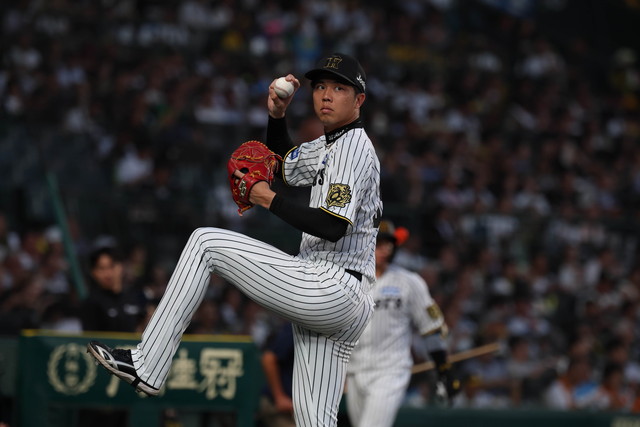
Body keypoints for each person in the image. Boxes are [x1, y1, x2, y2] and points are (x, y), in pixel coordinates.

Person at [87, 52, 382, 427]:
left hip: (332, 286)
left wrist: (267, 199)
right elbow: (285, 166)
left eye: (339, 88)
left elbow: (331, 225)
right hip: (340, 299)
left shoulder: (354, 147)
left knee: (205, 243)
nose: (325, 94)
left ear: (359, 99)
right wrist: (277, 115)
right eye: (321, 86)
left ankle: (148, 364)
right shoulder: (331, 145)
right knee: (314, 421)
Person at [345, 220, 457, 427]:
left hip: (390, 371)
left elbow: (431, 328)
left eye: (388, 244)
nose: (384, 249)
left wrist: (443, 370)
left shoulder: (409, 281)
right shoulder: (348, 280)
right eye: (378, 243)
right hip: (354, 371)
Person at [80, 246, 144, 332]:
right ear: (93, 272)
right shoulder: (91, 303)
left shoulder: (135, 297)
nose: (108, 274)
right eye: (102, 268)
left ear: (121, 267)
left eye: (112, 266)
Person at [258, 321, 295, 427]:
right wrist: (279, 397)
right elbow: (268, 359)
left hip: (302, 409)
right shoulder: (297, 326)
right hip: (278, 408)